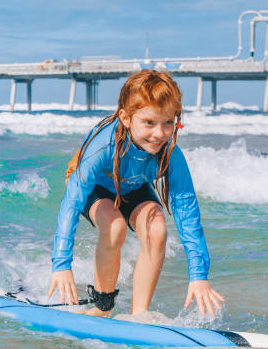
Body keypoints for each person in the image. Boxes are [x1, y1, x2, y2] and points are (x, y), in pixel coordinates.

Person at [48, 70, 224, 319]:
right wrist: (61, 265)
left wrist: (199, 276)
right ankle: (103, 307)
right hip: (93, 184)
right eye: (149, 123)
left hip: (132, 184)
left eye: (168, 123)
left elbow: (187, 212)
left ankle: (139, 314)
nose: (159, 134)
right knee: (115, 226)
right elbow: (71, 203)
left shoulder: (170, 154)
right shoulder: (103, 147)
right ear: (126, 118)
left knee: (157, 229)